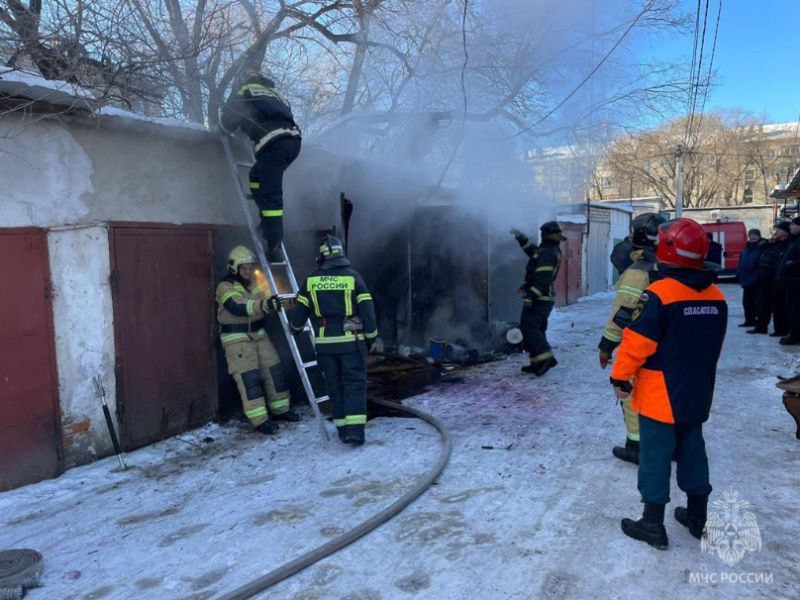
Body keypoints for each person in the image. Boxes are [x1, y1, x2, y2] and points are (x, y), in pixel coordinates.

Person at [610, 218, 727, 549]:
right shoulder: (718, 296)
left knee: (655, 458)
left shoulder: (658, 294)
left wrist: (620, 376)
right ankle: (697, 517)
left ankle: (651, 524)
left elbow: (636, 343)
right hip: (697, 391)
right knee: (693, 453)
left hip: (661, 396)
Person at [290, 235, 378, 445]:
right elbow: (367, 312)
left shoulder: (311, 280)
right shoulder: (353, 277)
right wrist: (371, 337)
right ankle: (356, 431)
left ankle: (342, 430)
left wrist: (295, 328)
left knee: (334, 385)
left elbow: (298, 319)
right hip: (351, 343)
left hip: (325, 347)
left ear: (321, 257)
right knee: (354, 385)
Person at [598, 213, 665, 465]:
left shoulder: (638, 272)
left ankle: (636, 448)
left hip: (641, 346)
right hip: (672, 346)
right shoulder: (675, 266)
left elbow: (622, 315)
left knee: (634, 397)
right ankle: (670, 445)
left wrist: (606, 346)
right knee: (666, 398)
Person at [216, 246, 301, 434]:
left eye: (249, 267)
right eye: (243, 267)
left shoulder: (255, 283)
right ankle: (260, 421)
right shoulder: (225, 286)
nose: (247, 271)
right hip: (236, 339)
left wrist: (293, 300)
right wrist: (264, 304)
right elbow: (237, 307)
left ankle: (281, 410)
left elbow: (273, 298)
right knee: (249, 379)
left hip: (259, 334)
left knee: (274, 371)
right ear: (234, 268)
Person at [220, 67, 302, 263]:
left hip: (273, 144)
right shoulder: (274, 93)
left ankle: (274, 246)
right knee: (255, 177)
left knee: (272, 198)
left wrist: (222, 129)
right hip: (293, 143)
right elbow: (272, 114)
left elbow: (230, 118)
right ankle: (266, 222)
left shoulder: (244, 91)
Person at [511, 221, 565, 377]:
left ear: (546, 235)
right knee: (537, 329)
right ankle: (537, 361)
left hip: (540, 297)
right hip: (544, 297)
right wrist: (521, 238)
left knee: (529, 328)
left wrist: (531, 296)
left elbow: (543, 279)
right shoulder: (548, 250)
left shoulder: (548, 253)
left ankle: (547, 359)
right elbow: (533, 252)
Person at [748, 222, 791, 336]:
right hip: (764, 278)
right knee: (763, 304)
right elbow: (760, 247)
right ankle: (761, 326)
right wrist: (770, 241)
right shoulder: (773, 243)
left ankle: (781, 330)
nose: (776, 231)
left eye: (778, 229)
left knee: (777, 306)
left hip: (775, 278)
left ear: (785, 232)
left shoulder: (788, 244)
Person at [736, 229, 767, 327]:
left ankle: (757, 321)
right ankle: (749, 320)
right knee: (747, 302)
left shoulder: (763, 247)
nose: (752, 237)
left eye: (754, 235)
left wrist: (758, 274)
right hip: (747, 279)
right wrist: (739, 272)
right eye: (750, 235)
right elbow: (742, 260)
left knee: (756, 302)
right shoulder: (747, 247)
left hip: (756, 279)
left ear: (759, 236)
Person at [777, 217, 800, 345]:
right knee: (791, 309)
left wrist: (789, 264)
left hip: (796, 281)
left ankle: (795, 336)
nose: (790, 227)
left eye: (793, 225)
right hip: (791, 281)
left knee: (794, 310)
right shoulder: (794, 241)